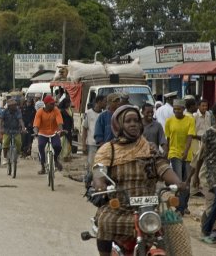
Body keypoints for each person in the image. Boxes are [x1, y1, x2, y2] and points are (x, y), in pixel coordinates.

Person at [93, 105, 185, 256]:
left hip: (148, 208)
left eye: (136, 120)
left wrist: (178, 182)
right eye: (128, 121)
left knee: (174, 226)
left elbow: (162, 167)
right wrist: (100, 184)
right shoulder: (108, 149)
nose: (133, 124)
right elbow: (99, 172)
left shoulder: (148, 147)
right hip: (119, 209)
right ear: (119, 125)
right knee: (105, 221)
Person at [192, 102, 216, 246]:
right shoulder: (209, 134)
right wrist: (195, 176)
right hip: (215, 176)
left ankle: (206, 228)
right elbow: (201, 157)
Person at [165, 99, 195, 216]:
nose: (176, 111)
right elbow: (168, 139)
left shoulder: (190, 120)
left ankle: (184, 205)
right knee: (178, 180)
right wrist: (167, 153)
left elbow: (190, 137)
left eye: (179, 109)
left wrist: (186, 151)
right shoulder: (169, 121)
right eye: (175, 109)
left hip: (187, 153)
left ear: (183, 109)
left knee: (187, 181)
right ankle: (179, 208)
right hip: (174, 152)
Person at [33, 95, 64, 174]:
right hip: (42, 133)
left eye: (54, 103)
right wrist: (36, 132)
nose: (53, 105)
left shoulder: (56, 110)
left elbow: (59, 122)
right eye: (51, 104)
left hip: (54, 132)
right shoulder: (39, 112)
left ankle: (55, 159)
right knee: (41, 147)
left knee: (58, 146)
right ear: (46, 104)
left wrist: (60, 130)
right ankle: (43, 166)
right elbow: (36, 125)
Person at [82, 95, 107, 169]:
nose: (106, 104)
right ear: (99, 102)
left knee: (101, 165)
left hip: (102, 144)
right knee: (91, 164)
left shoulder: (104, 114)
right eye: (104, 102)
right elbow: (84, 129)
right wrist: (84, 145)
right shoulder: (88, 113)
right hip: (91, 144)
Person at [0, 99, 26, 165]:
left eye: (15, 105)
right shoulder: (5, 112)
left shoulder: (18, 111)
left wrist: (23, 128)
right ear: (9, 106)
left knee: (19, 143)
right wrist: (1, 128)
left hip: (16, 130)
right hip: (7, 130)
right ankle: (5, 158)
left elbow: (20, 120)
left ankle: (17, 155)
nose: (15, 106)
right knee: (5, 143)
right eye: (13, 105)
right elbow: (1, 120)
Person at [58, 98, 74, 162]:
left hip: (69, 128)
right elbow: (60, 121)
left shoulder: (70, 109)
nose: (68, 104)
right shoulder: (62, 111)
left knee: (69, 142)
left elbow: (72, 119)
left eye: (69, 102)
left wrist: (73, 126)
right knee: (64, 142)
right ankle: (64, 156)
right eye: (67, 103)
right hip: (64, 128)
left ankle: (68, 155)